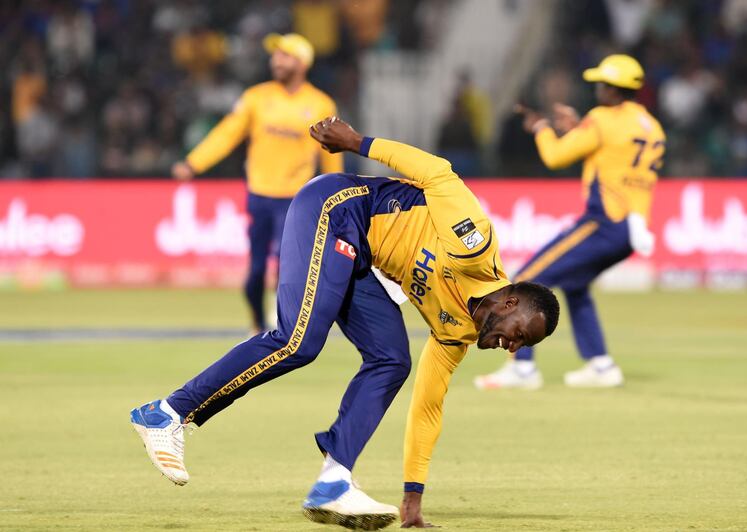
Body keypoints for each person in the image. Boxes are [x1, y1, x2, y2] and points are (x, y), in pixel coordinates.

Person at [131, 117, 560, 530]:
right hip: (337, 207)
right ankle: (167, 412)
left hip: (358, 255)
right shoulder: (476, 247)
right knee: (298, 340)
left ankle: (333, 482)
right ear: (511, 300)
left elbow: (428, 406)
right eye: (521, 333)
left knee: (392, 360)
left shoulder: (457, 332)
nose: (514, 347)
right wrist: (358, 143)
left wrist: (413, 495)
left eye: (523, 345)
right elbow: (438, 174)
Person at [475, 54, 665, 390]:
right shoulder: (650, 126)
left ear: (613, 88)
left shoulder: (603, 118)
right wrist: (580, 129)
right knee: (576, 287)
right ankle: (601, 364)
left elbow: (555, 156)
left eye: (601, 84)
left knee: (526, 280)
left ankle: (521, 369)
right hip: (630, 228)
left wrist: (541, 129)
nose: (597, 90)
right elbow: (615, 152)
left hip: (604, 221)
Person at [171, 33, 343, 334]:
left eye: (285, 55)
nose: (276, 60)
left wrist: (339, 198)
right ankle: (256, 321)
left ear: (302, 63)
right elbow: (227, 134)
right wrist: (193, 162)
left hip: (296, 199)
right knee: (255, 272)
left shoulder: (320, 104)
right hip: (260, 195)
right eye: (275, 55)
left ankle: (284, 328)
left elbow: (331, 156)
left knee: (287, 268)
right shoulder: (256, 97)